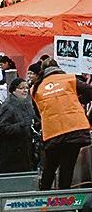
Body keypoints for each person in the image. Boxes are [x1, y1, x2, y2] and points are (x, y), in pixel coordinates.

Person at [32, 60, 92, 190]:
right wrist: (79, 101)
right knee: (67, 166)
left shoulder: (36, 88)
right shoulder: (69, 78)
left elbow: (37, 111)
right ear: (58, 67)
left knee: (50, 167)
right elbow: (90, 91)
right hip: (75, 128)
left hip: (53, 132)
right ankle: (64, 201)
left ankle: (43, 197)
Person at [0, 78, 36, 174]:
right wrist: (21, 125)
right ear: (13, 90)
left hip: (25, 151)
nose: (25, 90)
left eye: (26, 88)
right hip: (11, 154)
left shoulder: (27, 104)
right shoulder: (8, 106)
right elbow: (1, 128)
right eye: (21, 88)